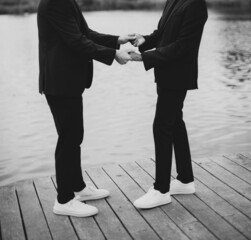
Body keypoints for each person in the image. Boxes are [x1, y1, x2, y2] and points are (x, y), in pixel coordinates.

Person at [37, 0, 135, 217]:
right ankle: (64, 199)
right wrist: (113, 54)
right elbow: (76, 40)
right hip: (59, 82)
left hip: (67, 82)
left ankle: (78, 187)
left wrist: (116, 41)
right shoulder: (55, 3)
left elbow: (85, 32)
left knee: (74, 136)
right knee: (68, 139)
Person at [130, 0, 208, 209]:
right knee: (174, 123)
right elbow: (162, 34)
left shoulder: (195, 5)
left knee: (162, 125)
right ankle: (185, 180)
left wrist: (143, 58)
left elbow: (183, 46)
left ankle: (161, 190)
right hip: (165, 74)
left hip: (178, 76)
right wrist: (144, 40)